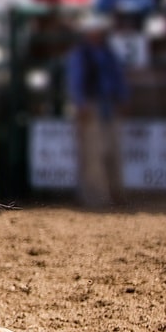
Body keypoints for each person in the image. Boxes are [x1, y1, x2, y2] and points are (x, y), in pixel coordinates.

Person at [66, 15, 129, 208]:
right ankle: (96, 197)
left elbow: (118, 77)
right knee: (93, 154)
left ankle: (114, 193)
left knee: (112, 151)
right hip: (92, 106)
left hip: (108, 104)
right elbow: (75, 82)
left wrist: (122, 98)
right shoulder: (82, 54)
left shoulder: (107, 53)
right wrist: (81, 103)